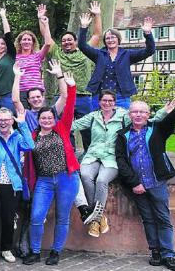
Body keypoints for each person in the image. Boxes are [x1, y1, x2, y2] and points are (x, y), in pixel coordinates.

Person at [71, 90, 167, 236]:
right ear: (99, 102)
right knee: (84, 175)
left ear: (114, 102)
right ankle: (99, 217)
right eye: (104, 100)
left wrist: (164, 112)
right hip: (92, 155)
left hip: (111, 157)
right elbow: (72, 126)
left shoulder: (123, 116)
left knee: (102, 180)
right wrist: (51, 123)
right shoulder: (93, 117)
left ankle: (94, 219)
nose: (107, 103)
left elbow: (147, 121)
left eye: (110, 101)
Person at [116, 99, 175, 271]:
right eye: (135, 112)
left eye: (142, 112)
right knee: (148, 219)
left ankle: (169, 254)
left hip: (156, 181)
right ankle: (155, 251)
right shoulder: (123, 135)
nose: (138, 115)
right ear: (129, 115)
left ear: (148, 114)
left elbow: (172, 119)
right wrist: (134, 183)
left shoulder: (158, 129)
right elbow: (121, 160)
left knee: (163, 218)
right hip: (137, 185)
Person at [23, 73, 78, 266]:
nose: (46, 120)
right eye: (43, 118)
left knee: (63, 217)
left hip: (66, 178)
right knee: (37, 216)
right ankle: (35, 251)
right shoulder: (33, 135)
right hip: (44, 181)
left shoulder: (62, 128)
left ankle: (55, 251)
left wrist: (71, 87)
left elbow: (69, 107)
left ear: (54, 118)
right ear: (38, 120)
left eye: (49, 117)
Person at [0, 93, 34, 265]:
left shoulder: (17, 136)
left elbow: (30, 146)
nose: (3, 122)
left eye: (7, 120)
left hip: (11, 182)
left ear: (11, 121)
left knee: (8, 218)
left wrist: (23, 124)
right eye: (0, 119)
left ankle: (6, 248)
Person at [43, 1, 102, 147]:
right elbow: (48, 40)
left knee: (87, 129)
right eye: (64, 40)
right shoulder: (57, 52)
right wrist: (43, 21)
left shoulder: (85, 51)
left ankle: (90, 158)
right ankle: (70, 158)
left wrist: (97, 15)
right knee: (64, 129)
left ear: (76, 41)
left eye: (70, 40)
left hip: (83, 96)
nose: (66, 42)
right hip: (63, 96)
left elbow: (97, 34)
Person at [78, 6, 155, 110]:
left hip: (121, 97)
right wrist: (84, 27)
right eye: (107, 38)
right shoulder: (99, 54)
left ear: (118, 39)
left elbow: (149, 51)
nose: (110, 40)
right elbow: (82, 46)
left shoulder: (127, 54)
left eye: (113, 37)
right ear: (105, 41)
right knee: (98, 122)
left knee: (123, 122)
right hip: (100, 96)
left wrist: (148, 34)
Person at [13, 5, 53, 107]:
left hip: (36, 92)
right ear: (20, 42)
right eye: (24, 39)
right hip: (21, 92)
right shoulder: (15, 57)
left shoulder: (37, 56)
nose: (26, 42)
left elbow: (48, 43)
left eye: (29, 40)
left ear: (33, 42)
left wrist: (44, 22)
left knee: (39, 117)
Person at [12, 60, 68, 132]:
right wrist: (17, 76)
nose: (36, 99)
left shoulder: (52, 111)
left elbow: (64, 96)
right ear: (28, 100)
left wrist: (59, 74)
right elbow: (15, 100)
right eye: (32, 97)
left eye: (38, 96)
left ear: (43, 97)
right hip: (32, 142)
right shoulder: (26, 114)